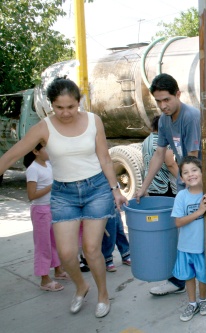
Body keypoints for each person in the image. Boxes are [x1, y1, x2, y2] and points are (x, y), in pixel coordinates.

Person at [0, 78, 128, 318]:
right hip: (63, 194)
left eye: (71, 106)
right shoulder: (43, 128)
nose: (66, 112)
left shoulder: (93, 121)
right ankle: (81, 286)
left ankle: (102, 294)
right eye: (59, 107)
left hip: (96, 189)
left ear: (78, 102)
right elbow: (11, 155)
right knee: (67, 253)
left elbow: (105, 159)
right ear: (51, 106)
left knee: (91, 249)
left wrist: (115, 189)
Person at [134, 73, 206, 299]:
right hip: (187, 183)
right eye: (158, 101)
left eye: (166, 99)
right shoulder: (166, 121)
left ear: (178, 94)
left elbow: (193, 159)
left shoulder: (190, 117)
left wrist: (191, 193)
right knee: (185, 234)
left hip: (202, 183)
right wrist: (143, 186)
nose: (163, 105)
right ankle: (179, 278)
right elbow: (159, 153)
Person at [171, 157, 206, 322]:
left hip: (205, 247)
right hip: (185, 246)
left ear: (202, 173)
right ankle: (192, 303)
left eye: (194, 170)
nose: (191, 175)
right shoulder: (181, 196)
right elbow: (178, 222)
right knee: (189, 276)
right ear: (182, 178)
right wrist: (199, 211)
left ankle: (202, 300)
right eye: (185, 172)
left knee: (203, 276)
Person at [23, 144, 68, 292]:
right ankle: (44, 278)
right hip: (40, 211)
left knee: (54, 241)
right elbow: (31, 195)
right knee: (43, 245)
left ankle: (58, 270)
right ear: (36, 151)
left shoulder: (48, 165)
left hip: (52, 208)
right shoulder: (33, 169)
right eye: (45, 149)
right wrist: (51, 186)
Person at [142, 115, 178, 198]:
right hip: (164, 186)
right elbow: (170, 163)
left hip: (152, 185)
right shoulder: (162, 142)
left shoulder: (146, 140)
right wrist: (183, 180)